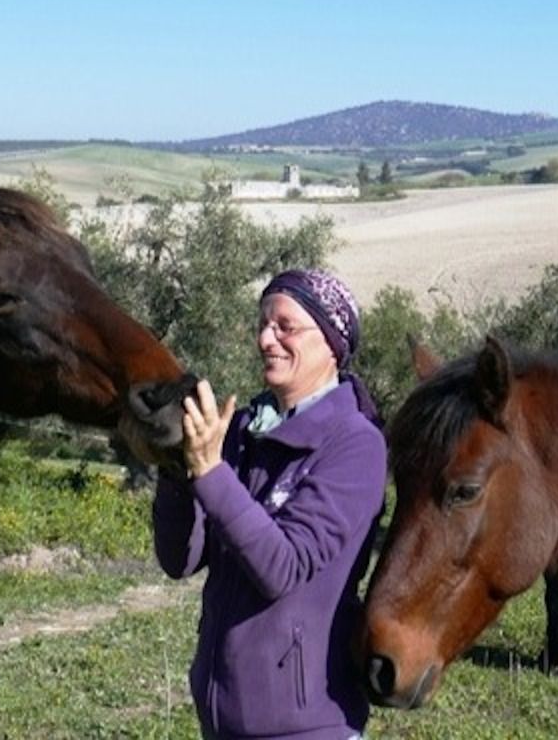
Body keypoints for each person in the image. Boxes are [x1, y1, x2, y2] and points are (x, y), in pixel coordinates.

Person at [153, 269, 387, 740]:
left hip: (306, 725)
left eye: (285, 326)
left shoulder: (355, 444)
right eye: (262, 324)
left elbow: (283, 567)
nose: (265, 339)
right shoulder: (242, 430)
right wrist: (177, 469)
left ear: (331, 343)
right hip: (222, 720)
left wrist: (211, 472)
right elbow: (181, 559)